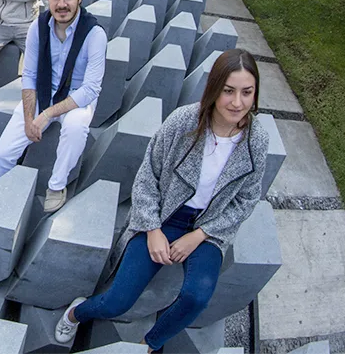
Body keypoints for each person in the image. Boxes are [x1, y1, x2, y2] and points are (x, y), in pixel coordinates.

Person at [54, 49, 269, 351]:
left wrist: (199, 236)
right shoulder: (183, 122)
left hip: (208, 227)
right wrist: (152, 228)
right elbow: (147, 176)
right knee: (118, 301)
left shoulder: (256, 140)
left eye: (247, 92)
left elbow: (246, 199)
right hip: (166, 215)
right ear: (214, 89)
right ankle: (76, 313)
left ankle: (149, 344)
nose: (237, 103)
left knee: (196, 297)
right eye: (228, 91)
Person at [0, 0, 107, 211]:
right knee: (1, 154)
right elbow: (30, 75)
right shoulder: (38, 26)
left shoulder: (95, 34)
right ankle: (4, 196)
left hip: (76, 99)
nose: (61, 4)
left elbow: (90, 89)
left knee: (76, 127)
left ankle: (57, 184)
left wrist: (46, 115)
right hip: (43, 93)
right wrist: (28, 118)